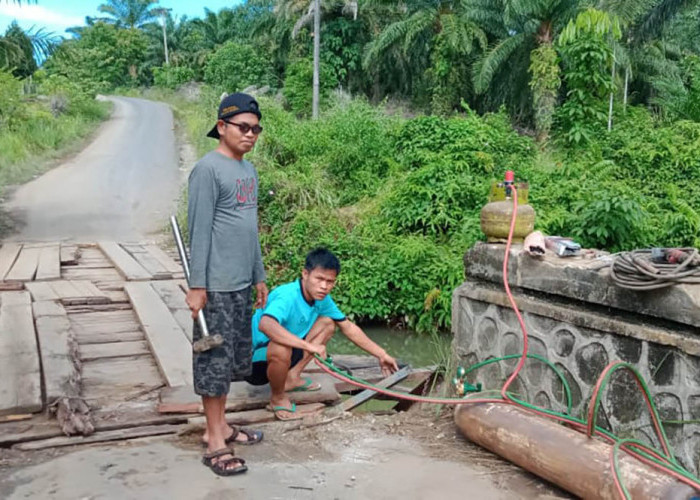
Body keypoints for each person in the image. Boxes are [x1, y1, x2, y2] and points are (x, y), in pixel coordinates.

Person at [186, 92, 269, 476]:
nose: (250, 134)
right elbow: (199, 232)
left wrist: (259, 276)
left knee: (233, 360)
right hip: (215, 286)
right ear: (222, 127)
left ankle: (221, 427)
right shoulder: (208, 170)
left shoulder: (248, 172)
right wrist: (197, 286)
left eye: (256, 129)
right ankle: (214, 440)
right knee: (213, 363)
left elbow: (250, 231)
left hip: (240, 283)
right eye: (243, 127)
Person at [245, 248, 399, 421]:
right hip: (254, 363)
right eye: (319, 279)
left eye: (330, 281)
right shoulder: (287, 295)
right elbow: (266, 325)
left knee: (327, 323)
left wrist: (381, 354)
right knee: (281, 346)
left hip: (287, 353)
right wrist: (309, 346)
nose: (324, 286)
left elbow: (347, 327)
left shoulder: (322, 299)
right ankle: (277, 398)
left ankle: (291, 378)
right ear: (305, 274)